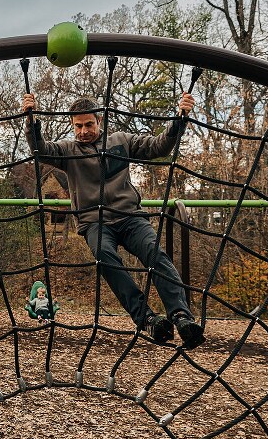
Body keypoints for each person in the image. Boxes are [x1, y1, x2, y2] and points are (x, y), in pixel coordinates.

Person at [21, 92, 205, 349]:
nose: (83, 131)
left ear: (99, 121)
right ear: (73, 126)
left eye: (88, 124)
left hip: (130, 217)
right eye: (78, 126)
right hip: (94, 223)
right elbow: (41, 148)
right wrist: (31, 122)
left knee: (155, 255)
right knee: (105, 257)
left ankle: (182, 316)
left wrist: (179, 120)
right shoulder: (68, 151)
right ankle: (148, 318)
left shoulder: (120, 141)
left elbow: (158, 146)